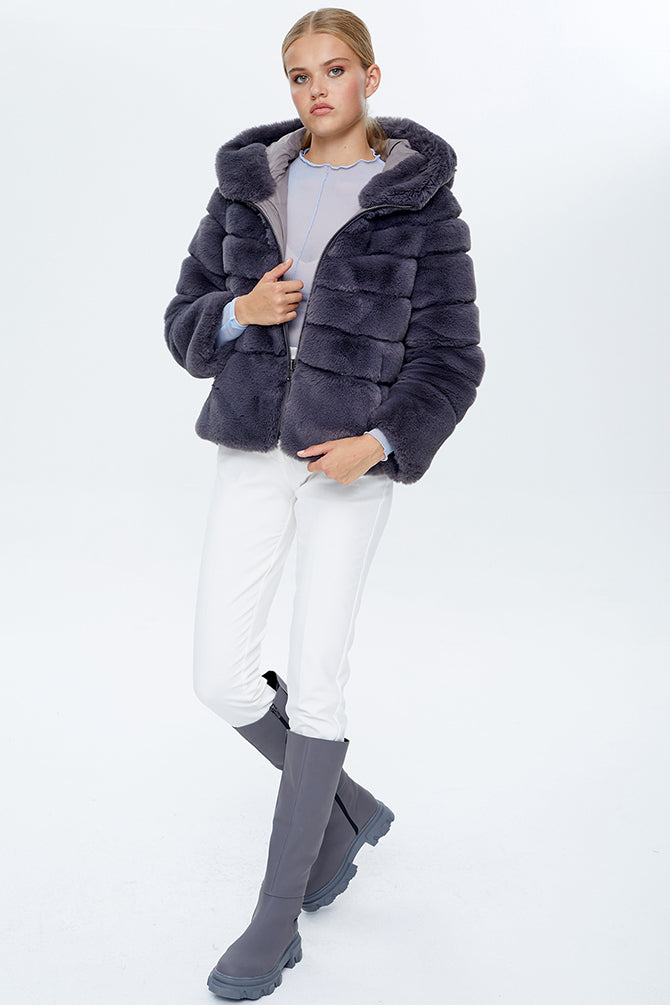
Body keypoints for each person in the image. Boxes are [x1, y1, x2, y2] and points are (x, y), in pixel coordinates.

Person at [163, 7, 485, 999]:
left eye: (333, 71)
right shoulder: (246, 189)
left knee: (316, 681)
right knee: (218, 675)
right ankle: (346, 812)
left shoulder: (420, 208)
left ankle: (277, 917)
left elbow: (453, 360)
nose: (315, 92)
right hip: (253, 447)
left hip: (348, 461)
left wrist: (377, 445)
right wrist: (236, 310)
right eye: (299, 76)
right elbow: (181, 325)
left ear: (369, 78)